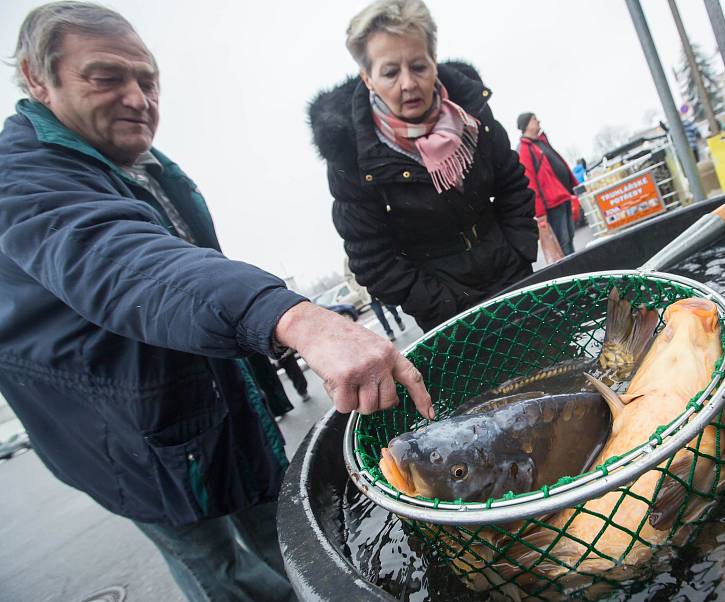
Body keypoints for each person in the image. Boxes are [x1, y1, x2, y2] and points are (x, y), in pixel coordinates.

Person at [0, 3, 434, 601]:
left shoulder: (151, 167)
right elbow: (127, 263)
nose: (136, 97)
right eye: (106, 77)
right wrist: (295, 318)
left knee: (297, 546)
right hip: (132, 444)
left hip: (217, 415)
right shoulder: (22, 177)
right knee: (227, 578)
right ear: (36, 77)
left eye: (147, 80)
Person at [309, 0, 539, 334]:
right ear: (368, 78)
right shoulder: (351, 156)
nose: (408, 83)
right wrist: (440, 304)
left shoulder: (472, 111)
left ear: (433, 61)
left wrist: (519, 251)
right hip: (446, 313)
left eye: (418, 66)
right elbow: (371, 258)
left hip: (513, 275)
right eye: (390, 72)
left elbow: (512, 185)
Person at [517, 112, 580, 256]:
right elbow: (531, 183)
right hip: (552, 204)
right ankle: (572, 273)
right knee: (563, 243)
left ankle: (575, 268)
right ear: (526, 124)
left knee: (569, 238)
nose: (538, 121)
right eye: (534, 119)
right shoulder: (525, 149)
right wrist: (540, 213)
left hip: (562, 197)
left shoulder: (540, 143)